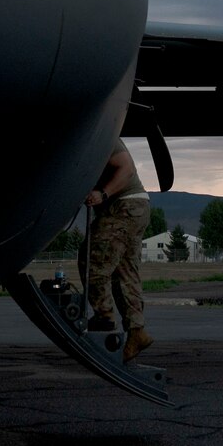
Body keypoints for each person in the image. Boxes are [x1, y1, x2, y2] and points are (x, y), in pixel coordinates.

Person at [84, 140, 153, 362]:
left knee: (92, 262)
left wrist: (103, 194)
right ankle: (137, 331)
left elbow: (127, 168)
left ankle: (104, 317)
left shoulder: (102, 133)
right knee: (124, 274)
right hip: (134, 207)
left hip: (124, 206)